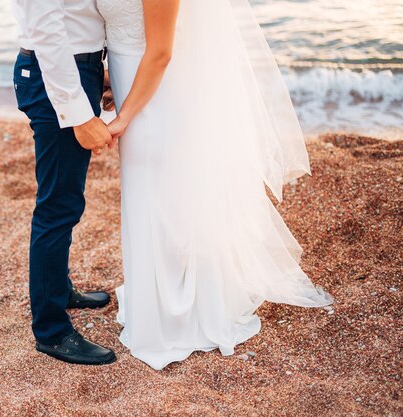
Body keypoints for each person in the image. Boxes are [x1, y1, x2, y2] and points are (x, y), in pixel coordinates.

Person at [98, 0, 334, 370]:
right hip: (136, 87)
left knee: (163, 198)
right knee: (150, 196)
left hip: (156, 98)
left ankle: (179, 314)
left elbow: (160, 52)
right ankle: (156, 304)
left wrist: (123, 117)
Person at [11, 0, 117, 365]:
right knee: (57, 206)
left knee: (66, 200)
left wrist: (97, 73)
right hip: (54, 76)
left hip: (73, 70)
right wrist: (76, 110)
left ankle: (58, 290)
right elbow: (45, 27)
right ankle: (52, 331)